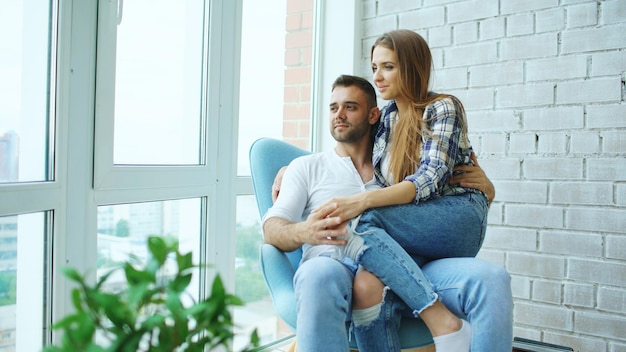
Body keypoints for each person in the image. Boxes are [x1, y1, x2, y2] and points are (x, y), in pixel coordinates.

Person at [263, 74, 512, 352]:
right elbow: (271, 227)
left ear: (373, 115)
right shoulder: (307, 167)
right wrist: (304, 231)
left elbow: (440, 204)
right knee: (316, 276)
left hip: (407, 266)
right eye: (333, 108)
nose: (339, 115)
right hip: (336, 266)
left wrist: (485, 190)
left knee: (493, 280)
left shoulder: (399, 165)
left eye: (350, 107)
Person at [310, 30, 489, 351]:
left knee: (362, 221)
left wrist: (362, 202)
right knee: (366, 284)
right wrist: (290, 167)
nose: (377, 77)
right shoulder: (388, 119)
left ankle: (443, 323)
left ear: (412, 67)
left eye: (388, 67)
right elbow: (350, 137)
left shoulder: (443, 108)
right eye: (375, 67)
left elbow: (430, 179)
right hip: (414, 227)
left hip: (458, 218)